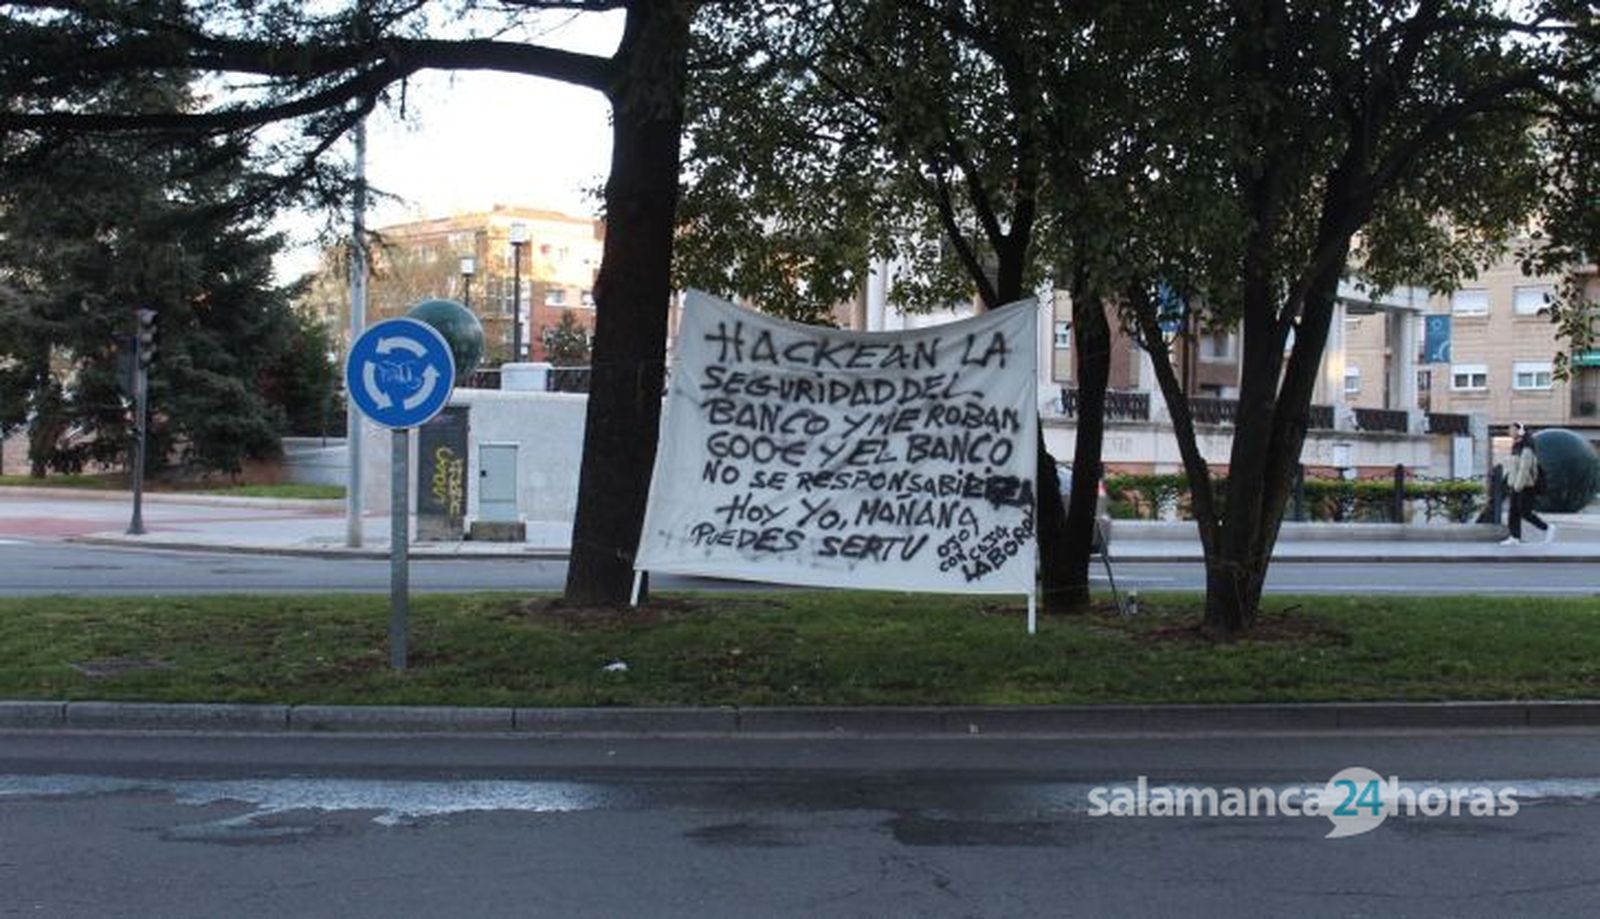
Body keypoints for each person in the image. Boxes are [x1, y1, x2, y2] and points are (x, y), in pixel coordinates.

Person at [1500, 422, 1553, 545]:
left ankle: (1547, 528)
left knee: (1525, 512)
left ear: (1520, 432)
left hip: (1526, 486)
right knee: (1513, 512)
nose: (1510, 432)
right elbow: (1513, 469)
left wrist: (1518, 486)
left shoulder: (1526, 449)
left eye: (1512, 429)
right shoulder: (1516, 447)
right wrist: (1510, 483)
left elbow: (1524, 469)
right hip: (1515, 485)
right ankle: (1514, 537)